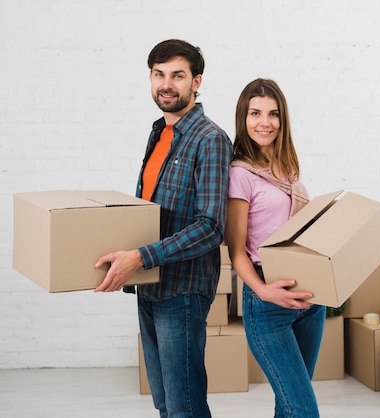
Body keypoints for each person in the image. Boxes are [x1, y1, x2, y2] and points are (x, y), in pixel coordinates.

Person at [94, 39, 233, 418]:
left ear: (196, 82)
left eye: (177, 75)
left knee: (185, 407)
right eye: (159, 74)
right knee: (166, 406)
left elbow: (211, 227)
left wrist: (140, 256)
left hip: (183, 291)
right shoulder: (159, 133)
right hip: (150, 285)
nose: (166, 84)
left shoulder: (210, 139)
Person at [225, 78, 326, 418]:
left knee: (289, 408)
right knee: (304, 411)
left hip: (310, 300)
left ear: (283, 120)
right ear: (243, 117)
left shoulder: (289, 169)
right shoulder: (240, 173)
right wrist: (263, 292)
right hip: (268, 303)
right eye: (255, 113)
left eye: (273, 113)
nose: (264, 122)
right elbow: (236, 251)